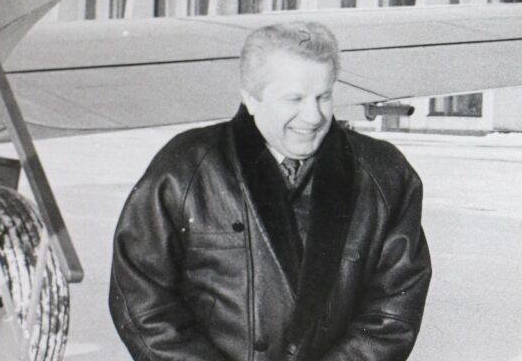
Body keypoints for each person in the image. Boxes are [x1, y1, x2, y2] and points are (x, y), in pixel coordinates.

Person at [109, 21, 431, 361]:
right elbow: (140, 297)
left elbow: (395, 308)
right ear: (251, 98)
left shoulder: (384, 174)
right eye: (294, 99)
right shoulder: (183, 168)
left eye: (323, 97)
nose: (313, 116)